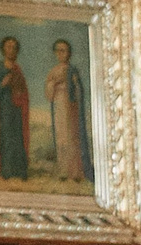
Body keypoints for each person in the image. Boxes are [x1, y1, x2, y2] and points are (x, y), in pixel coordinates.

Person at [0, 36, 29, 181]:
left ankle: (19, 170)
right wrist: (3, 84)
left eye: (14, 47)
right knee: (6, 138)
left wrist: (21, 95)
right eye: (8, 47)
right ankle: (7, 170)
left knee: (18, 137)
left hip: (17, 109)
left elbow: (23, 90)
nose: (11, 50)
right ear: (3, 49)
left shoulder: (17, 69)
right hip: (4, 108)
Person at [46, 39, 89, 181]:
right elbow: (48, 93)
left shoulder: (73, 70)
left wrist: (74, 85)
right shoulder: (53, 71)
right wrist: (55, 83)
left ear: (68, 53)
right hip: (59, 106)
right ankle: (63, 171)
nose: (61, 53)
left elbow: (79, 90)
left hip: (72, 108)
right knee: (61, 138)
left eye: (63, 50)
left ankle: (75, 172)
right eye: (58, 50)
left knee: (73, 138)